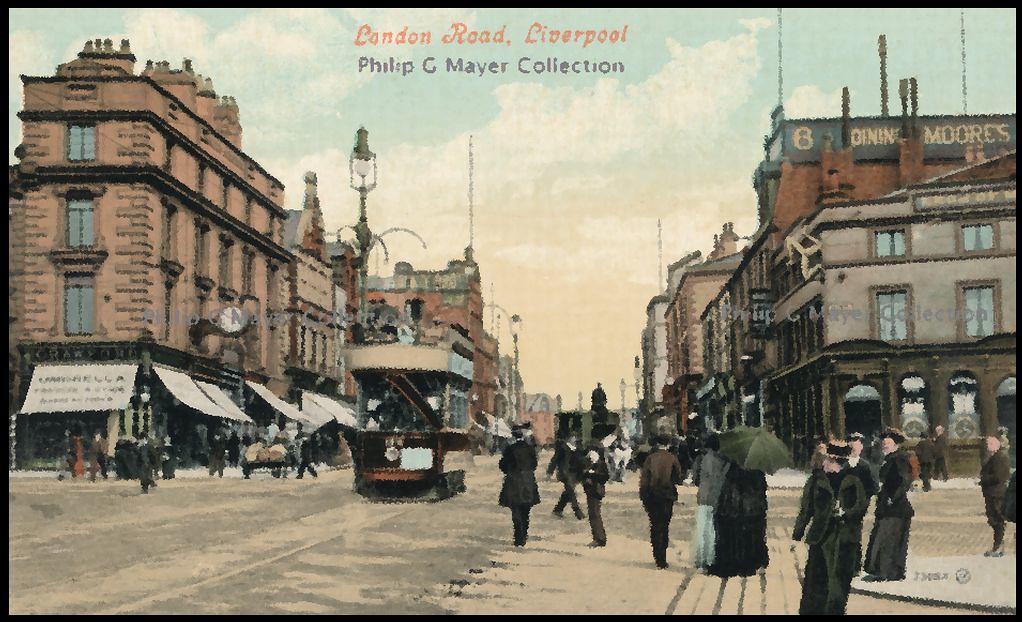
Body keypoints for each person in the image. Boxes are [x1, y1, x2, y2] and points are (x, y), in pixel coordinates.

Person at [794, 442, 870, 615]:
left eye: (827, 460)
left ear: (835, 460)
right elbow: (806, 509)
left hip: (845, 537)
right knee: (816, 577)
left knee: (840, 579)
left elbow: (861, 505)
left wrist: (846, 512)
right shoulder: (816, 480)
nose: (824, 463)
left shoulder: (853, 480)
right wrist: (797, 535)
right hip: (821, 535)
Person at [863, 428, 913, 582]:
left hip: (896, 508)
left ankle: (887, 573)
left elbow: (904, 481)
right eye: (883, 443)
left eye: (888, 443)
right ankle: (884, 571)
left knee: (888, 540)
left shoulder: (900, 459)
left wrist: (892, 498)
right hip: (887, 506)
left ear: (896, 445)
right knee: (883, 538)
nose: (885, 446)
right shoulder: (890, 458)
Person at [709, 460, 769, 578]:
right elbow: (761, 491)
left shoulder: (730, 470)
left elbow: (725, 491)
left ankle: (732, 564)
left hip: (733, 510)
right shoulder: (757, 472)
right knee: (750, 538)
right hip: (752, 510)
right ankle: (749, 564)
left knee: (732, 538)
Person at [639, 435, 685, 569]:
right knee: (664, 526)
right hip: (667, 496)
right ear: (668, 444)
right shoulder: (671, 458)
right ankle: (663, 558)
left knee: (655, 525)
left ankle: (657, 556)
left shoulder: (650, 458)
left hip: (652, 495)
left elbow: (644, 480)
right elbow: (678, 477)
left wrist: (643, 496)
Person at [691, 434, 730, 572]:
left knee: (702, 530)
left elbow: (695, 478)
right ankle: (712, 559)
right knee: (715, 530)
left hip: (703, 497)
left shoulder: (701, 459)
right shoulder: (725, 461)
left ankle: (701, 561)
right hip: (719, 498)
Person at [498, 424, 540, 547]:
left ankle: (519, 538)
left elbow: (503, 465)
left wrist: (510, 470)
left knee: (515, 510)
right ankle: (524, 534)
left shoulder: (510, 449)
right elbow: (534, 464)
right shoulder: (529, 448)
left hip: (514, 481)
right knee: (526, 510)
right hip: (528, 481)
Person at [979, 435, 1011, 557]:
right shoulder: (994, 457)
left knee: (996, 519)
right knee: (993, 519)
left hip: (996, 493)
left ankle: (998, 546)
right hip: (992, 493)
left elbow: (998, 476)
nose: (987, 447)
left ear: (995, 445)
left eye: (989, 444)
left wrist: (983, 480)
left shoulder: (999, 458)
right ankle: (998, 545)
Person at [547, 435, 585, 520]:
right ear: (569, 438)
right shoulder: (562, 448)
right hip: (564, 473)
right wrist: (550, 471)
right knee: (571, 491)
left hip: (575, 473)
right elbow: (554, 460)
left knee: (568, 492)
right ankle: (578, 512)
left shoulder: (578, 448)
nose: (575, 439)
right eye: (573, 438)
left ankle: (558, 510)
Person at [581, 446, 610, 547]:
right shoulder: (589, 464)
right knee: (593, 514)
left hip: (596, 492)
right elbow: (582, 475)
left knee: (594, 514)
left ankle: (599, 538)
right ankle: (598, 537)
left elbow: (604, 477)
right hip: (591, 491)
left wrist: (592, 476)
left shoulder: (601, 465)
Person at [846, 433, 878, 500]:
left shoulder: (866, 466)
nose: (854, 449)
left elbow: (872, 488)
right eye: (851, 447)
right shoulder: (842, 465)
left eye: (857, 446)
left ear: (861, 447)